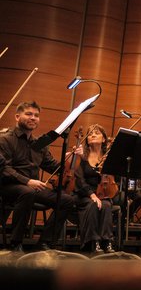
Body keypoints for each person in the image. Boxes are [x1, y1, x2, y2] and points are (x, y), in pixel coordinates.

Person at [0, 101, 76, 252]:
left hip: (31, 188)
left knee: (67, 200)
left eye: (36, 115)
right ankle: (16, 243)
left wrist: (72, 157)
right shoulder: (5, 139)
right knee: (27, 192)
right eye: (28, 114)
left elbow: (53, 167)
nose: (33, 118)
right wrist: (27, 181)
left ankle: (44, 242)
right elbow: (4, 169)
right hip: (7, 185)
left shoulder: (39, 144)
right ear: (17, 117)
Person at [73, 123, 115, 254]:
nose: (93, 135)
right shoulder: (82, 156)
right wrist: (92, 195)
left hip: (102, 193)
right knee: (93, 204)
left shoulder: (107, 157)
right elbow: (79, 180)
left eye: (97, 133)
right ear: (86, 139)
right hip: (84, 194)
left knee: (106, 205)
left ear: (104, 139)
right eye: (90, 134)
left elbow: (114, 179)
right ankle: (93, 242)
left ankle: (107, 241)